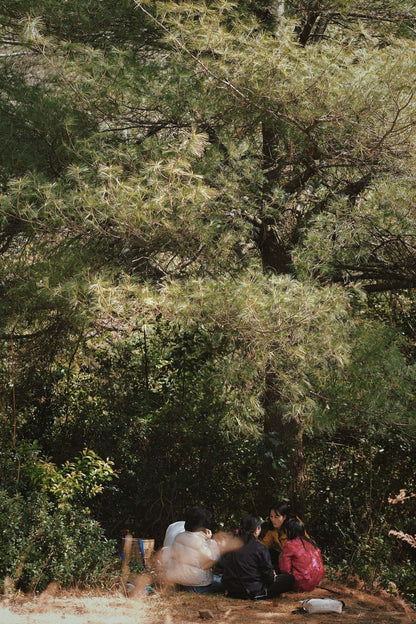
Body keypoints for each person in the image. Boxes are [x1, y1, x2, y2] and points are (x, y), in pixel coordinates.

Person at [221, 515, 295, 600]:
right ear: (256, 530)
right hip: (253, 591)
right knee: (289, 579)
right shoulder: (260, 548)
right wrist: (272, 575)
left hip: (231, 590)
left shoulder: (230, 545)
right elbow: (268, 578)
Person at [163, 506, 223, 593]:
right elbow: (213, 558)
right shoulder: (200, 542)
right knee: (223, 582)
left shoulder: (178, 537)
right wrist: (210, 541)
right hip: (196, 586)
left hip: (178, 583)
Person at [278, 517, 325, 592]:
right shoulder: (312, 542)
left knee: (280, 555)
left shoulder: (290, 544)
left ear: (289, 531)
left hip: (300, 584)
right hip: (315, 582)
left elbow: (285, 569)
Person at [260, 502, 291, 568]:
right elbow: (264, 545)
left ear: (284, 517)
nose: (273, 520)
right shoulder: (273, 530)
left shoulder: (293, 526)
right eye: (271, 516)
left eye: (276, 517)